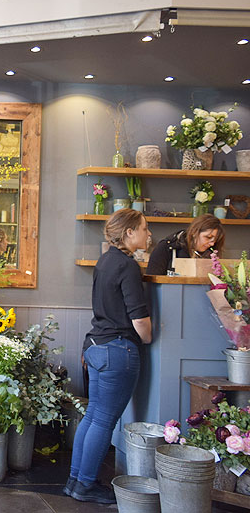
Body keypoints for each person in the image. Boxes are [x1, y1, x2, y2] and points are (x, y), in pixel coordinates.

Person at [65, 209, 153, 504]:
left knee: (93, 417)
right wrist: (149, 336)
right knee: (102, 421)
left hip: (97, 346)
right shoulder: (128, 266)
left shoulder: (105, 260)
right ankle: (86, 485)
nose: (149, 234)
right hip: (118, 350)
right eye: (144, 228)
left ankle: (76, 481)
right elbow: (138, 316)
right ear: (129, 232)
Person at [145, 214, 225, 275]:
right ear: (194, 232)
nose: (212, 243)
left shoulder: (212, 256)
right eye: (208, 237)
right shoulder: (166, 248)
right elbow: (152, 281)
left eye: (215, 240)